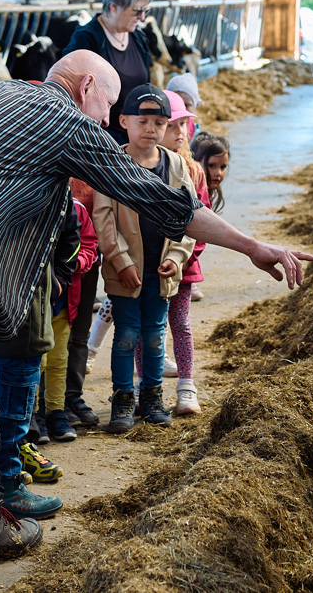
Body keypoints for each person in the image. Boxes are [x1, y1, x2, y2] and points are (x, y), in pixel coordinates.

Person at [0, 50, 312, 568]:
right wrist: (251, 246)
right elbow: (159, 198)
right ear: (85, 88)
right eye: (107, 107)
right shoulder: (63, 117)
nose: (106, 122)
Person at [94, 84, 197, 433]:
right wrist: (121, 261)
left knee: (154, 336)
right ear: (123, 121)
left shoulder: (176, 164)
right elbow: (104, 217)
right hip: (126, 272)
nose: (151, 129)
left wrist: (177, 257)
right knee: (125, 335)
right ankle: (123, 399)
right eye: (143, 121)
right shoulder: (112, 164)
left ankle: (152, 398)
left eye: (159, 122)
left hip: (161, 271)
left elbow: (190, 216)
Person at [0, 198, 80, 520]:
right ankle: (7, 485)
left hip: (20, 299)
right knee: (14, 398)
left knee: (6, 397)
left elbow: (69, 231)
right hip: (14, 308)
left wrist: (58, 279)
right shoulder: (28, 177)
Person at [134, 91, 207, 416]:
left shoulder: (193, 171)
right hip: (146, 264)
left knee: (180, 324)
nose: (179, 132)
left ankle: (186, 386)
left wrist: (183, 258)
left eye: (183, 125)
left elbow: (202, 220)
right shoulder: (138, 166)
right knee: (142, 329)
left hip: (182, 266)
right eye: (172, 125)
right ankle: (144, 387)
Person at [61, 0, 154, 144]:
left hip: (137, 138)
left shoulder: (138, 38)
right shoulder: (86, 39)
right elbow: (70, 94)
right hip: (99, 139)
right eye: (137, 10)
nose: (142, 17)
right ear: (114, 6)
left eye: (145, 11)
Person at [41, 187, 99, 442]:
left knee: (58, 359)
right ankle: (33, 416)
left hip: (64, 300)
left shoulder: (76, 208)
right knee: (36, 361)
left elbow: (89, 244)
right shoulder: (28, 201)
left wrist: (76, 263)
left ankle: (56, 412)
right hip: (33, 302)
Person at [189, 132, 231, 302]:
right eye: (212, 165)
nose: (218, 173)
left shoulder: (210, 191)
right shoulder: (190, 189)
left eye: (223, 167)